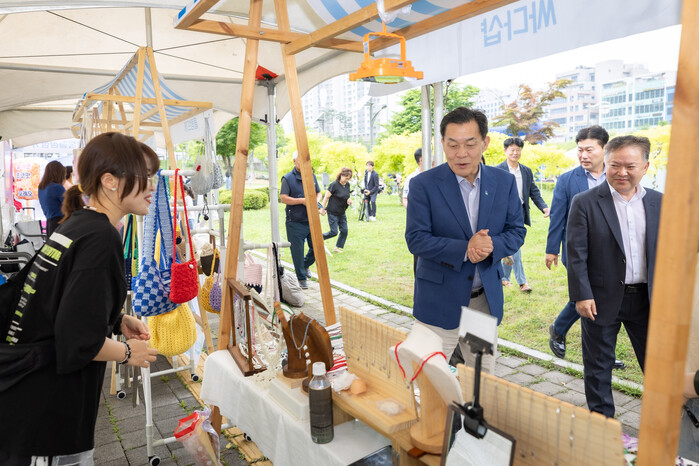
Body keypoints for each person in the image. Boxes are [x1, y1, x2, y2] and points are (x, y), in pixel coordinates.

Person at [0, 132, 159, 465]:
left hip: (23, 396)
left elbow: (56, 297)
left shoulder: (76, 224)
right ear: (109, 180)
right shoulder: (101, 237)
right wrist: (129, 352)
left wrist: (115, 319)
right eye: (145, 175)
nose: (152, 185)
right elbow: (78, 342)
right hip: (45, 409)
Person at [405, 107, 526, 366]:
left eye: (470, 144)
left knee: (480, 377)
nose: (461, 153)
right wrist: (465, 248)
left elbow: (517, 231)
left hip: (482, 302)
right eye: (453, 145)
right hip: (438, 302)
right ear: (442, 144)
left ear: (485, 143)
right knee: (429, 375)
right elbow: (416, 239)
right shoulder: (423, 185)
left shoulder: (503, 182)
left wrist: (491, 245)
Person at [566, 135, 661, 417]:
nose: (622, 172)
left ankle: (662, 423)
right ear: (606, 164)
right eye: (615, 165)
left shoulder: (660, 203)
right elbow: (576, 253)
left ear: (645, 167)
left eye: (630, 166)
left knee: (657, 365)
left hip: (647, 298)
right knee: (598, 366)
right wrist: (581, 295)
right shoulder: (585, 202)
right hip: (599, 299)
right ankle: (602, 425)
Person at [545, 126, 625, 369]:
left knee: (602, 298)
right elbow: (557, 216)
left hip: (611, 251)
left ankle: (561, 330)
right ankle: (596, 350)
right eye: (580, 150)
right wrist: (552, 249)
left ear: (605, 149)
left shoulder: (617, 177)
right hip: (577, 250)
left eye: (589, 150)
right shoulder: (568, 180)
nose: (583, 155)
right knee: (587, 294)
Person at [496, 137, 549, 292]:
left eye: (518, 150)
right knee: (515, 245)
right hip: (503, 214)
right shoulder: (497, 171)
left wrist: (544, 207)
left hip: (519, 212)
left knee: (511, 246)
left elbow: (534, 191)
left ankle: (503, 277)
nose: (515, 153)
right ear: (505, 151)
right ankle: (522, 282)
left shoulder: (526, 171)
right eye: (512, 150)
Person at [280, 151, 322, 289]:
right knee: (297, 252)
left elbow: (318, 193)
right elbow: (283, 198)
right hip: (295, 222)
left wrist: (316, 201)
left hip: (311, 219)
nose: (303, 164)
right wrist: (302, 201)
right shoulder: (287, 178)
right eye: (300, 161)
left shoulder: (311, 175)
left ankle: (305, 265)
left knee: (317, 247)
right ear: (294, 161)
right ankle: (301, 278)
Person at [320, 167, 353, 253]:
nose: (347, 180)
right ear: (341, 175)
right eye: (346, 178)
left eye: (348, 179)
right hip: (332, 212)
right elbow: (326, 197)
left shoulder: (347, 185)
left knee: (344, 231)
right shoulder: (334, 185)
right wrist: (322, 209)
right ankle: (318, 238)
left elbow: (346, 196)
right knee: (334, 232)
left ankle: (337, 247)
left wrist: (349, 200)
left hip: (342, 212)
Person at [38, 160, 66, 237]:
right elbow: (69, 205)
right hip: (60, 223)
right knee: (62, 244)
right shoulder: (58, 187)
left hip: (49, 223)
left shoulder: (41, 187)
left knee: (52, 244)